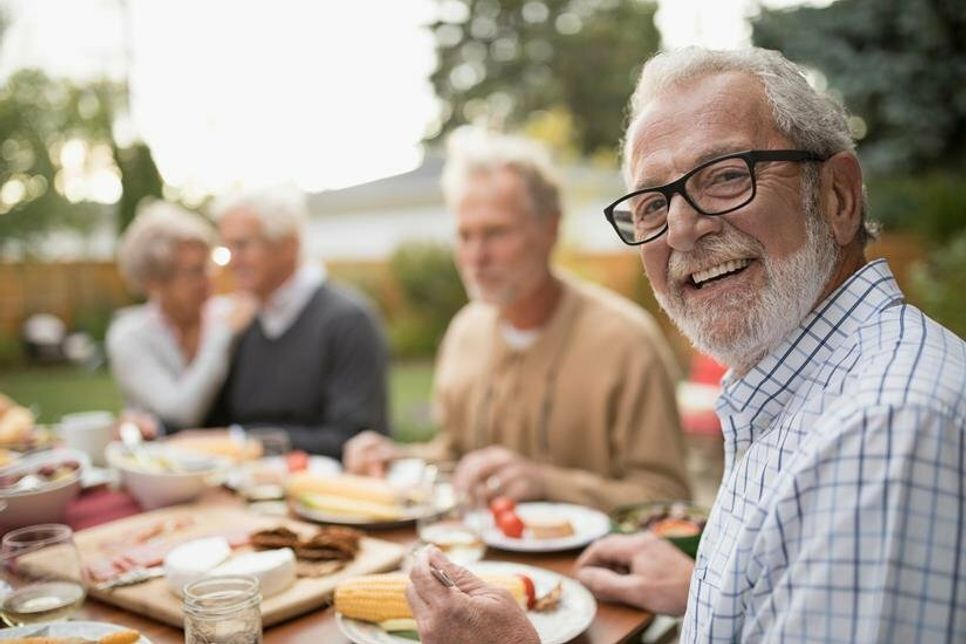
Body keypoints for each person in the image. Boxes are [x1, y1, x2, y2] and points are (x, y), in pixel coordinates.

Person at [407, 47, 966, 643]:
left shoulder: (881, 430)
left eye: (726, 175)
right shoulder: (813, 388)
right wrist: (708, 584)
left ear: (837, 196)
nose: (680, 229)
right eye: (652, 204)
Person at [345, 129, 690, 511]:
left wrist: (548, 484)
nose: (476, 257)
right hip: (474, 561)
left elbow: (668, 497)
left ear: (550, 229)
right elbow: (456, 455)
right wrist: (399, 458)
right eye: (465, 235)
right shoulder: (465, 331)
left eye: (495, 233)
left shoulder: (626, 341)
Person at [204, 187, 389, 459]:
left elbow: (354, 438)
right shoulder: (243, 323)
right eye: (226, 247)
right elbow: (214, 423)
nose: (231, 261)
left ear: (288, 245)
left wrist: (244, 442)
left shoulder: (348, 321)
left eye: (242, 245)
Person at [107, 200, 256, 432]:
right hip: (156, 463)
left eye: (208, 266)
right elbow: (181, 413)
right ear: (154, 283)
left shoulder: (228, 313)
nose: (209, 280)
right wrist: (222, 337)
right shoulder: (130, 336)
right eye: (195, 272)